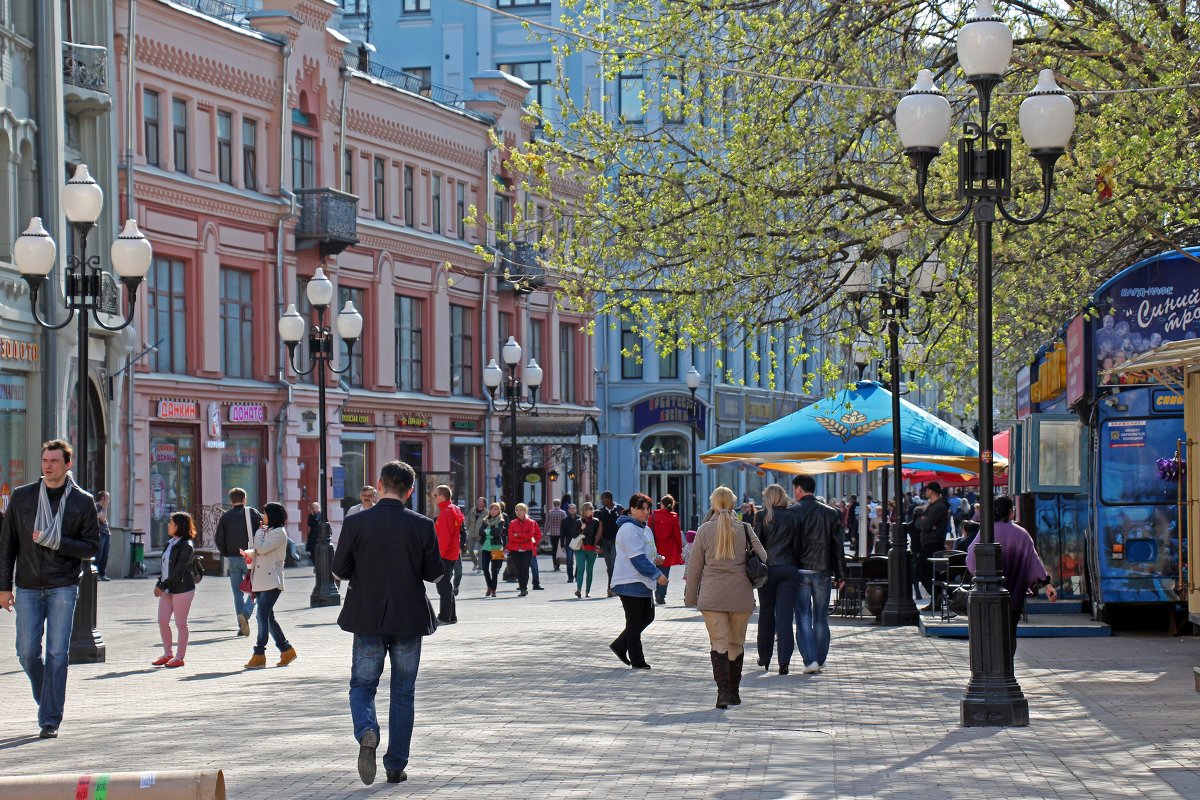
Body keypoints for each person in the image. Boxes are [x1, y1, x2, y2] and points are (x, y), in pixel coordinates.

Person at [333, 460, 442, 786]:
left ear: (379, 486)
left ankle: (367, 729)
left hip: (367, 616)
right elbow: (433, 572)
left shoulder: (357, 523)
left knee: (363, 686)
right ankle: (395, 765)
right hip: (409, 617)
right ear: (410, 491)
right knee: (403, 692)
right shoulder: (422, 524)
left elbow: (339, 570)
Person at [0, 439, 100, 738]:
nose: (48, 465)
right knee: (27, 652)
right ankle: (49, 701)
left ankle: (50, 719)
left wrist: (56, 541)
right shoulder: (22, 497)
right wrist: (4, 587)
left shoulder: (82, 501)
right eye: (45, 460)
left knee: (57, 653)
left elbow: (91, 547)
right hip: (28, 586)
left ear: (67, 464)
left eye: (54, 461)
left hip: (62, 586)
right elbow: (7, 545)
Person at [686, 486, 767, 708]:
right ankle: (734, 691)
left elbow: (694, 568)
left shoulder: (703, 530)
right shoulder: (745, 528)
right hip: (740, 596)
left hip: (712, 596)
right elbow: (763, 556)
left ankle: (722, 693)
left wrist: (691, 598)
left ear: (713, 505)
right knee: (736, 643)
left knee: (719, 642)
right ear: (733, 505)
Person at [966, 496, 1058, 661]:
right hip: (1014, 593)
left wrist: (980, 576)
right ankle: (1007, 665)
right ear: (1009, 512)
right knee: (1009, 631)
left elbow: (971, 558)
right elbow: (1032, 561)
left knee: (990, 631)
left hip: (988, 594)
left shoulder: (986, 531)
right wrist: (1047, 585)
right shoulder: (1021, 534)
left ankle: (992, 664)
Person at [791, 474, 845, 675]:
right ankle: (820, 658)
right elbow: (837, 546)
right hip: (823, 570)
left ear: (798, 489)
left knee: (803, 615)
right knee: (821, 616)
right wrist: (841, 575)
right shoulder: (831, 513)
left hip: (799, 571)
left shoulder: (793, 512)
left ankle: (810, 659)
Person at [608, 493, 668, 669]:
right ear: (632, 509)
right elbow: (637, 558)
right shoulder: (628, 529)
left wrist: (656, 559)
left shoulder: (645, 529)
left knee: (647, 617)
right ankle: (637, 660)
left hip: (642, 580)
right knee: (634, 622)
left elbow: (646, 554)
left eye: (648, 508)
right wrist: (658, 574)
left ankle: (620, 645)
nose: (646, 512)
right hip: (629, 580)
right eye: (641, 508)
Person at [241, 502, 297, 670]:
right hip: (260, 581)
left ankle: (259, 653)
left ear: (272, 516)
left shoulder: (279, 533)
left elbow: (262, 549)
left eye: (265, 514)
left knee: (261, 616)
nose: (262, 517)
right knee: (268, 617)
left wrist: (258, 533)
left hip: (272, 581)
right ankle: (286, 650)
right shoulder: (268, 532)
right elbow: (257, 550)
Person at [754, 484, 800, 674]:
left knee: (766, 613)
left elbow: (757, 544)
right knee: (785, 616)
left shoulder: (764, 517)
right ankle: (784, 661)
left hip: (768, 570)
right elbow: (798, 546)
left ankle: (765, 657)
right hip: (789, 569)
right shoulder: (793, 516)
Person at [214, 487, 262, 636]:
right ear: (244, 499)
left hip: (233, 557)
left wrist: (226, 553)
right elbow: (262, 530)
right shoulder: (252, 513)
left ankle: (241, 626)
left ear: (231, 501)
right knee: (255, 590)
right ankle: (246, 615)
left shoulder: (226, 517)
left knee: (237, 593)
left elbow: (219, 538)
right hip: (250, 556)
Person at [152, 511, 197, 668]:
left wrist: (162, 586)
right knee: (163, 620)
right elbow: (165, 567)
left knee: (181, 623)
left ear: (178, 526)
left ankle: (179, 657)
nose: (168, 525)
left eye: (171, 523)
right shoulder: (170, 543)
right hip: (167, 589)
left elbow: (179, 570)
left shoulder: (187, 546)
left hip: (182, 588)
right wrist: (160, 583)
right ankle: (168, 653)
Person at [913, 482, 951, 609]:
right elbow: (924, 524)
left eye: (927, 490)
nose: (926, 492)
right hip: (929, 542)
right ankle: (936, 598)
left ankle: (938, 596)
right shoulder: (932, 506)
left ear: (932, 491)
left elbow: (925, 525)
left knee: (922, 572)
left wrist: (923, 523)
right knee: (926, 572)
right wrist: (923, 523)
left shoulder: (938, 506)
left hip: (933, 543)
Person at [432, 485, 464, 624]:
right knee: (447, 586)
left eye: (435, 495)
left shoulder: (445, 512)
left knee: (443, 587)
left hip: (444, 555)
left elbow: (444, 537)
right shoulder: (452, 509)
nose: (434, 498)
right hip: (451, 554)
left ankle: (444, 617)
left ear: (442, 496)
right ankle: (451, 616)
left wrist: (438, 556)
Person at [649, 495, 684, 605]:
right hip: (667, 550)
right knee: (665, 573)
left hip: (655, 548)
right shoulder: (673, 517)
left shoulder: (653, 515)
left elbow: (648, 532)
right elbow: (677, 535)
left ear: (662, 504)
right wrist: (679, 549)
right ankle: (661, 596)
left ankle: (655, 593)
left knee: (654, 572)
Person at [505, 503, 542, 596]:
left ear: (525, 511)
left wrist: (519, 535)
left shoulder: (530, 522)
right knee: (518, 569)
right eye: (517, 510)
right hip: (515, 549)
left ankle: (524, 588)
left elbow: (531, 535)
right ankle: (521, 587)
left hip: (528, 549)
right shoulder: (513, 523)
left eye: (521, 510)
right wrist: (523, 538)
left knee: (525, 568)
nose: (519, 512)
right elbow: (511, 536)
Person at [478, 502, 507, 597]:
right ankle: (489, 586)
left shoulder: (501, 520)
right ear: (489, 510)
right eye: (492, 509)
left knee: (494, 570)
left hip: (496, 547)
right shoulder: (485, 520)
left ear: (499, 511)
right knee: (485, 568)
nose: (493, 511)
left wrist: (487, 531)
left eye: (495, 509)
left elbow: (496, 532)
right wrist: (487, 532)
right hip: (486, 547)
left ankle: (493, 589)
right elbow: (480, 532)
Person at [596, 491, 622, 594]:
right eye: (601, 499)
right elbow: (600, 528)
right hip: (605, 542)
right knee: (609, 566)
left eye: (603, 499)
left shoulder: (620, 509)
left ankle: (612, 588)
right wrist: (596, 542)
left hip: (616, 542)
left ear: (609, 499)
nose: (602, 501)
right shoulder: (601, 512)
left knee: (613, 563)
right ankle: (612, 586)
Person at [573, 502, 601, 598]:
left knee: (589, 570)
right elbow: (573, 535)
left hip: (591, 549)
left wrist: (598, 546)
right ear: (585, 510)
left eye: (593, 507)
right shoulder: (579, 521)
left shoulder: (596, 521)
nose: (592, 509)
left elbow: (598, 535)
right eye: (590, 508)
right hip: (580, 548)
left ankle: (587, 592)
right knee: (580, 569)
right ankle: (578, 590)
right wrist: (581, 528)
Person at [465, 496, 488, 572]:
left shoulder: (486, 512)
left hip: (480, 534)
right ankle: (476, 563)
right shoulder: (472, 510)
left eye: (481, 501)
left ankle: (480, 567)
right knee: (470, 550)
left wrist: (486, 531)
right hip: (471, 533)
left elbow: (488, 523)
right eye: (478, 501)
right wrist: (466, 530)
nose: (479, 502)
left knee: (480, 551)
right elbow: (468, 521)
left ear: (484, 503)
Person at [544, 498, 567, 571]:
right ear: (559, 504)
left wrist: (544, 534)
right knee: (561, 548)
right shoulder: (562, 512)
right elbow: (565, 523)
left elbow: (547, 524)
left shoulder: (550, 512)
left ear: (553, 504)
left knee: (554, 549)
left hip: (552, 533)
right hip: (561, 533)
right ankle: (560, 562)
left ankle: (555, 564)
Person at [94, 490, 111, 581]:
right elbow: (103, 519)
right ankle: (96, 574)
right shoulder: (97, 506)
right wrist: (105, 508)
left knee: (105, 554)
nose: (108, 500)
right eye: (107, 498)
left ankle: (102, 573)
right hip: (100, 533)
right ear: (103, 498)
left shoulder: (104, 507)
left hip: (106, 533)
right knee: (99, 554)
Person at [560, 503, 579, 583]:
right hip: (569, 543)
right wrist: (562, 545)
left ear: (576, 509)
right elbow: (562, 533)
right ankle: (570, 577)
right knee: (569, 560)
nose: (572, 510)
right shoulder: (565, 520)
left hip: (578, 542)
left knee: (579, 560)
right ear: (568, 510)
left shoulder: (580, 519)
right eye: (570, 508)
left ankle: (577, 576)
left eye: (573, 508)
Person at [305, 501, 323, 566]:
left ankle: (319, 565)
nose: (315, 509)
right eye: (313, 508)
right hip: (312, 536)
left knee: (319, 552)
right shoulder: (311, 516)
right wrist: (315, 519)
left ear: (319, 508)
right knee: (312, 552)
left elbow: (324, 524)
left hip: (320, 536)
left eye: (316, 508)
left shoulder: (322, 516)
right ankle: (315, 565)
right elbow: (310, 524)